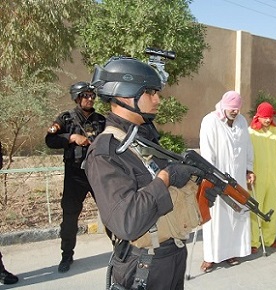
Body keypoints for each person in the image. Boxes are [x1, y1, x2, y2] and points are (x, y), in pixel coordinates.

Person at [84, 56, 213, 290]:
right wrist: (166, 178)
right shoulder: (107, 152)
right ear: (125, 94)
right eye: (150, 92)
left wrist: (199, 195)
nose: (158, 99)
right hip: (142, 266)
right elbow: (126, 221)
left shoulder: (143, 138)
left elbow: (166, 201)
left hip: (173, 255)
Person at [45, 81, 106, 273]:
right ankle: (66, 255)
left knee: (110, 210)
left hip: (97, 172)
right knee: (70, 217)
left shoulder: (101, 120)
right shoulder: (66, 119)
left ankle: (121, 250)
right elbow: (50, 139)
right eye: (86, 95)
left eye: (92, 95)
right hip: (75, 174)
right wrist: (71, 138)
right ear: (77, 97)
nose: (90, 99)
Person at [199, 90, 255, 272]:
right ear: (223, 106)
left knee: (236, 214)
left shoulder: (242, 122)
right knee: (215, 218)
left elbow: (247, 146)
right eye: (231, 109)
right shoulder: (210, 121)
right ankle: (211, 257)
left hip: (237, 178)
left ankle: (233, 251)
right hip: (216, 178)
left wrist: (249, 168)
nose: (234, 112)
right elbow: (207, 150)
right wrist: (210, 174)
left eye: (237, 109)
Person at [248, 102, 276, 253]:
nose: (268, 120)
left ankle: (269, 238)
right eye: (265, 117)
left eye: (270, 117)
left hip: (272, 177)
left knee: (272, 208)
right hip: (256, 178)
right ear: (258, 116)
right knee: (255, 209)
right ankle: (253, 241)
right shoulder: (251, 132)